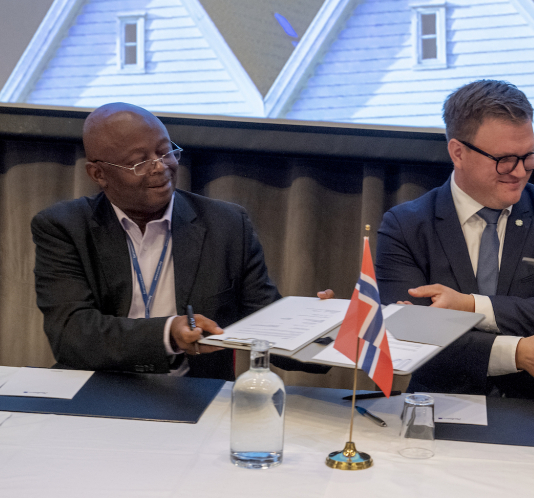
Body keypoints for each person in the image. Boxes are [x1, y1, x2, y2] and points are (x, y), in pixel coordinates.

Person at [32, 102, 332, 379]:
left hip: (195, 392)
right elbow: (70, 334)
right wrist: (167, 333)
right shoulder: (65, 226)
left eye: (166, 151)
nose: (161, 167)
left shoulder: (226, 225)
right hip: (98, 386)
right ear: (98, 173)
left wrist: (323, 331)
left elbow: (267, 328)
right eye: (139, 162)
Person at [376, 80, 534, 402]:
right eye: (505, 159)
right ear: (458, 153)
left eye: (530, 155)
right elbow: (412, 332)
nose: (521, 171)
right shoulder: (406, 225)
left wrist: (471, 305)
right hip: (443, 403)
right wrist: (518, 353)